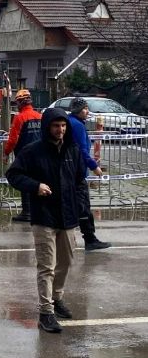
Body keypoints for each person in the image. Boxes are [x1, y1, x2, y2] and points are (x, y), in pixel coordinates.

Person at [6, 108, 90, 333]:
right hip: (44, 217)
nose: (60, 130)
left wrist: (81, 207)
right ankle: (46, 312)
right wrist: (36, 186)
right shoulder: (33, 151)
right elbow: (13, 174)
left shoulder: (73, 149)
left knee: (66, 262)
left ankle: (57, 298)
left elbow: (80, 180)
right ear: (47, 127)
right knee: (47, 266)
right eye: (55, 126)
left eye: (63, 126)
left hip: (68, 216)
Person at [67, 97, 111, 251]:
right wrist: (94, 166)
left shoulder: (70, 122)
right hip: (77, 171)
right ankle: (90, 239)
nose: (87, 111)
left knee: (78, 205)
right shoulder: (77, 125)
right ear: (78, 110)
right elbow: (81, 150)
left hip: (71, 170)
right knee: (83, 206)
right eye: (85, 108)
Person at [4, 89, 42, 222]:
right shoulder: (39, 116)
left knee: (25, 182)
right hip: (39, 154)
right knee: (36, 182)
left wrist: (6, 153)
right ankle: (36, 210)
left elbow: (13, 139)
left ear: (20, 102)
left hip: (24, 156)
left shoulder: (20, 118)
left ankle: (27, 211)